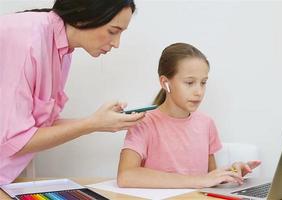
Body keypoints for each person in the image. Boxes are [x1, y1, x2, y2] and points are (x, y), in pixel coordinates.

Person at [0, 0, 145, 185]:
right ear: (85, 16)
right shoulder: (27, 38)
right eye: (112, 31)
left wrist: (100, 121)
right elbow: (14, 140)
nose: (116, 43)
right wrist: (92, 124)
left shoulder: (63, 50)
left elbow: (41, 126)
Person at [117, 43, 261, 188]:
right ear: (165, 83)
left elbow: (209, 178)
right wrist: (198, 181)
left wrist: (230, 174)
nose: (199, 91)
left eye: (203, 83)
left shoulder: (206, 123)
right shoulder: (143, 123)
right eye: (190, 82)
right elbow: (126, 176)